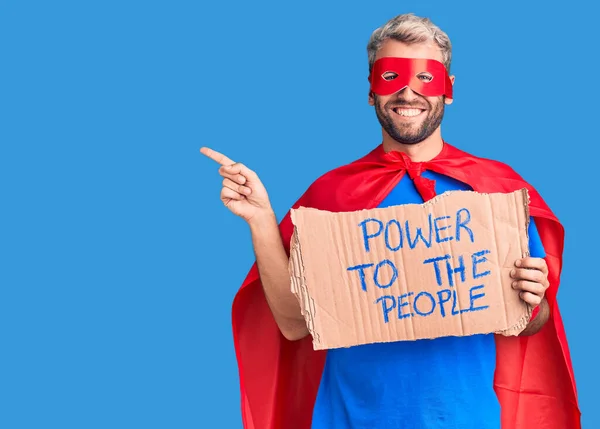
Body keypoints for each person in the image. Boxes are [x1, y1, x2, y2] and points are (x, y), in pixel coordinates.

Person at [201, 13, 580, 429]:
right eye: (391, 75)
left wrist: (531, 300)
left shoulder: (493, 192)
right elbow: (294, 324)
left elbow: (530, 321)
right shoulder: (331, 195)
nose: (408, 91)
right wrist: (259, 219)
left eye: (426, 77)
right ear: (370, 91)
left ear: (449, 90)